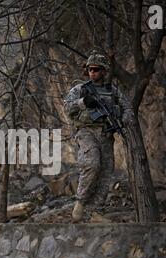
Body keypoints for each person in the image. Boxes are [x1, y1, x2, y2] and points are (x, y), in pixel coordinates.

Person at [64, 50, 134, 222]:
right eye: (90, 69)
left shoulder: (112, 91)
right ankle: (80, 203)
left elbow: (128, 109)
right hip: (86, 132)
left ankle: (94, 211)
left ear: (103, 71)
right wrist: (83, 102)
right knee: (92, 164)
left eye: (96, 69)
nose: (92, 72)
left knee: (106, 173)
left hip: (105, 133)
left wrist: (121, 120)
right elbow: (67, 108)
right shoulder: (80, 89)